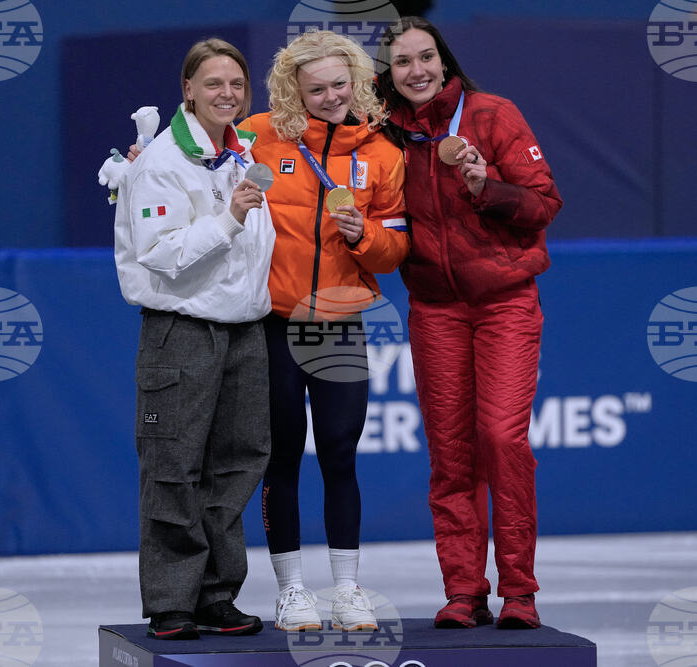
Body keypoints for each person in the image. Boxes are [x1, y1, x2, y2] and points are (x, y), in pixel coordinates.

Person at [377, 17, 563, 630]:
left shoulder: (492, 115)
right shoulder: (386, 132)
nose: (418, 71)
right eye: (403, 62)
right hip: (435, 309)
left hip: (504, 302)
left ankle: (520, 591)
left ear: (444, 60)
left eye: (426, 57)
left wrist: (487, 186)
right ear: (389, 74)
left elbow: (544, 204)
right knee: (451, 453)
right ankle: (464, 591)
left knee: (502, 440)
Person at [238, 30, 409, 633]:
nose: (332, 97)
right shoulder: (257, 135)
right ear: (294, 91)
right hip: (273, 322)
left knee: (339, 452)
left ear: (357, 81)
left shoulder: (382, 153)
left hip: (338, 322)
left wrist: (366, 236)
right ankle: (291, 591)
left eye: (341, 84)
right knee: (281, 456)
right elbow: (193, 162)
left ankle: (347, 589)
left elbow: (395, 250)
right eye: (317, 89)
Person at [113, 38, 275, 640]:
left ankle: (215, 593)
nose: (227, 94)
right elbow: (159, 255)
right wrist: (229, 218)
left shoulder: (241, 152)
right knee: (173, 468)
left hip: (244, 330)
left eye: (236, 84)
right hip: (182, 330)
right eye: (213, 83)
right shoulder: (161, 161)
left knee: (236, 466)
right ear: (188, 90)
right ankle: (172, 601)